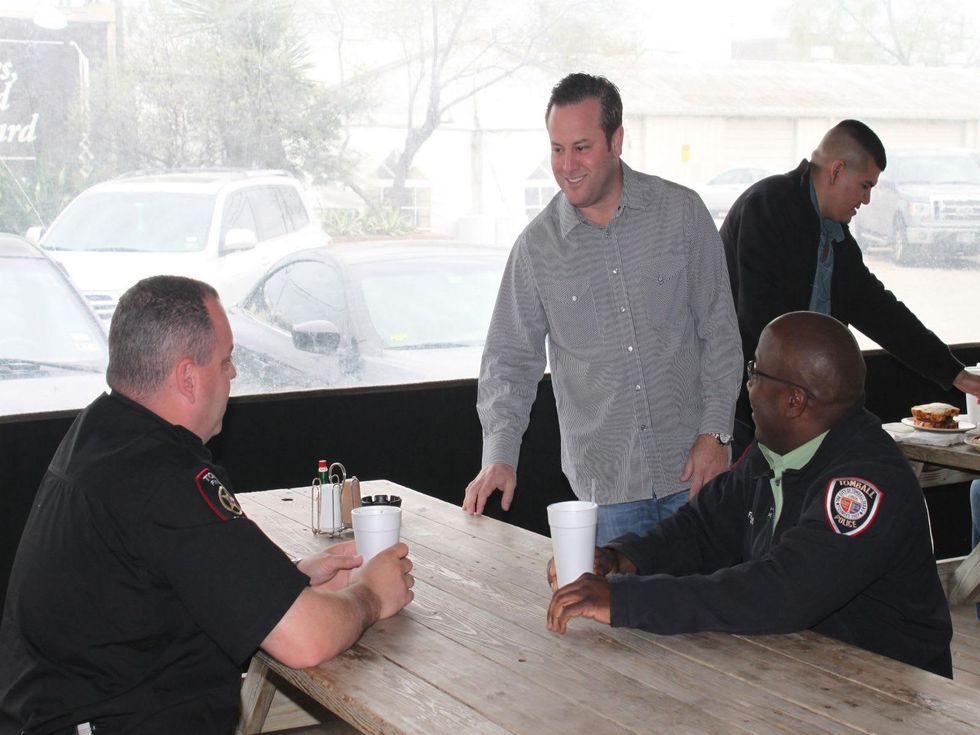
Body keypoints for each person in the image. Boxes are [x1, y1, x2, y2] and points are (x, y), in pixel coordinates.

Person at [0, 276, 414, 734]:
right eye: (226, 360)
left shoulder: (101, 433)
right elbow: (306, 642)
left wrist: (287, 580)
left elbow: (161, 582)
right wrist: (372, 594)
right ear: (187, 377)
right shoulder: (164, 476)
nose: (233, 374)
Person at [546, 311, 953, 678]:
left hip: (888, 689)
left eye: (756, 371)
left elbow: (780, 592)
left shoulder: (864, 486)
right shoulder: (776, 450)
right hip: (803, 667)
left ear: (794, 401)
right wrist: (623, 558)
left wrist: (625, 599)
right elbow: (702, 528)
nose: (748, 384)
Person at [463, 73, 742, 544]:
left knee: (708, 617)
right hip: (606, 495)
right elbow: (509, 361)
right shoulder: (536, 249)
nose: (566, 165)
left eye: (581, 147)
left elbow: (719, 333)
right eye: (556, 149)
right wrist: (499, 455)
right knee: (612, 617)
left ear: (616, 140)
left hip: (695, 478)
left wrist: (716, 434)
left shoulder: (682, 214)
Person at [721, 119, 980, 455]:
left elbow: (882, 313)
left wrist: (955, 373)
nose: (868, 199)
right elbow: (760, 323)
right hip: (749, 412)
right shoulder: (767, 207)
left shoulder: (837, 238)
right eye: (865, 185)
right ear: (837, 170)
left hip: (805, 412)